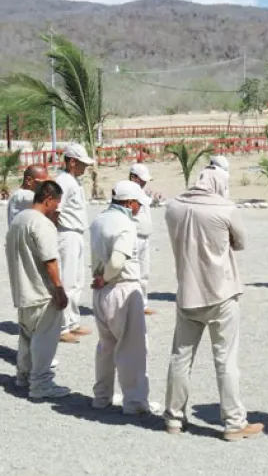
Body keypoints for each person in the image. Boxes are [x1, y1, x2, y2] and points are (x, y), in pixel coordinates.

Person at [164, 167, 262, 441]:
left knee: (180, 357)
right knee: (225, 359)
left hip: (187, 292)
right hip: (221, 292)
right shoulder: (224, 208)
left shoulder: (174, 207)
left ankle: (174, 417)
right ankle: (233, 422)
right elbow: (240, 242)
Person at [90, 180, 153, 414]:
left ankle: (102, 396)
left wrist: (102, 279)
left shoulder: (99, 219)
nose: (138, 208)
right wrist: (107, 276)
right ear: (128, 202)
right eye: (137, 203)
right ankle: (135, 403)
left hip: (101, 291)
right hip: (121, 287)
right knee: (132, 348)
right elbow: (117, 261)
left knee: (106, 346)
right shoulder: (125, 224)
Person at [5, 180, 69, 399]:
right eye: (57, 203)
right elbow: (49, 260)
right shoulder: (40, 224)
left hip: (22, 290)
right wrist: (59, 289)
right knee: (44, 338)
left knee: (26, 337)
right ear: (48, 198)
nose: (57, 208)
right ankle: (41, 383)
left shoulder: (19, 220)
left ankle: (23, 377)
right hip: (41, 293)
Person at [56, 142, 95, 343]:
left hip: (76, 233)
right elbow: (56, 208)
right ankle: (62, 327)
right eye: (81, 163)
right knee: (67, 281)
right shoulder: (63, 181)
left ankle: (72, 321)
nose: (84, 168)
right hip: (67, 233)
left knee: (77, 280)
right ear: (72, 162)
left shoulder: (73, 180)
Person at [128, 163, 155, 315]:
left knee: (144, 273)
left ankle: (142, 304)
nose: (144, 182)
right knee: (133, 273)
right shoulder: (127, 192)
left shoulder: (142, 192)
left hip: (145, 237)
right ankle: (132, 305)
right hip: (134, 236)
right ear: (133, 177)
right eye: (141, 179)